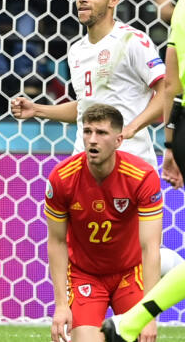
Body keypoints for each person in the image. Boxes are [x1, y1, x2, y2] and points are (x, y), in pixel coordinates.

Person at [11, 0, 166, 166]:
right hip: (85, 162)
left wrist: (132, 127)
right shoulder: (76, 51)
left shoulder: (132, 40)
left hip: (130, 161)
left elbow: (165, 91)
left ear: (113, 0)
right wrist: (36, 109)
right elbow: (84, 106)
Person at [102, 0, 185, 342]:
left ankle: (129, 322)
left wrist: (170, 143)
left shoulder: (182, 6)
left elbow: (172, 83)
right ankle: (131, 321)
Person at [45, 103, 162, 342]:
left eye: (101, 133)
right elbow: (56, 242)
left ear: (119, 140)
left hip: (131, 273)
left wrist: (150, 315)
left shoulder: (142, 176)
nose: (92, 140)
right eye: (87, 132)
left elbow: (151, 248)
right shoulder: (62, 177)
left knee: (141, 337)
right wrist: (60, 306)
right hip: (84, 275)